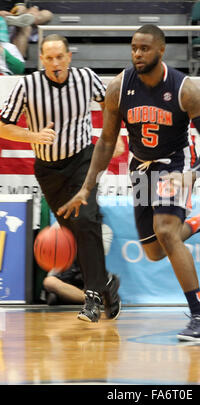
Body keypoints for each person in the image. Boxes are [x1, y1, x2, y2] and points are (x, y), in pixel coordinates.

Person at [57, 24, 200, 343]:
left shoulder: (184, 89)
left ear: (161, 50)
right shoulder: (119, 87)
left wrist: (192, 174)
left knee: (165, 230)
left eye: (145, 48)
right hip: (140, 167)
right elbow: (107, 141)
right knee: (154, 251)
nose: (137, 53)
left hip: (176, 163)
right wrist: (87, 186)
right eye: (134, 47)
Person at [0, 34, 121, 323]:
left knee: (88, 220)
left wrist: (110, 136)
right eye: (48, 58)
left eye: (59, 57)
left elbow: (109, 105)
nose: (55, 63)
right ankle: (106, 285)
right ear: (41, 60)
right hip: (48, 170)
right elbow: (2, 125)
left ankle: (92, 299)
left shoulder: (86, 78)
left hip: (83, 161)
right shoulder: (28, 85)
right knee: (72, 233)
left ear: (69, 56)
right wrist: (32, 135)